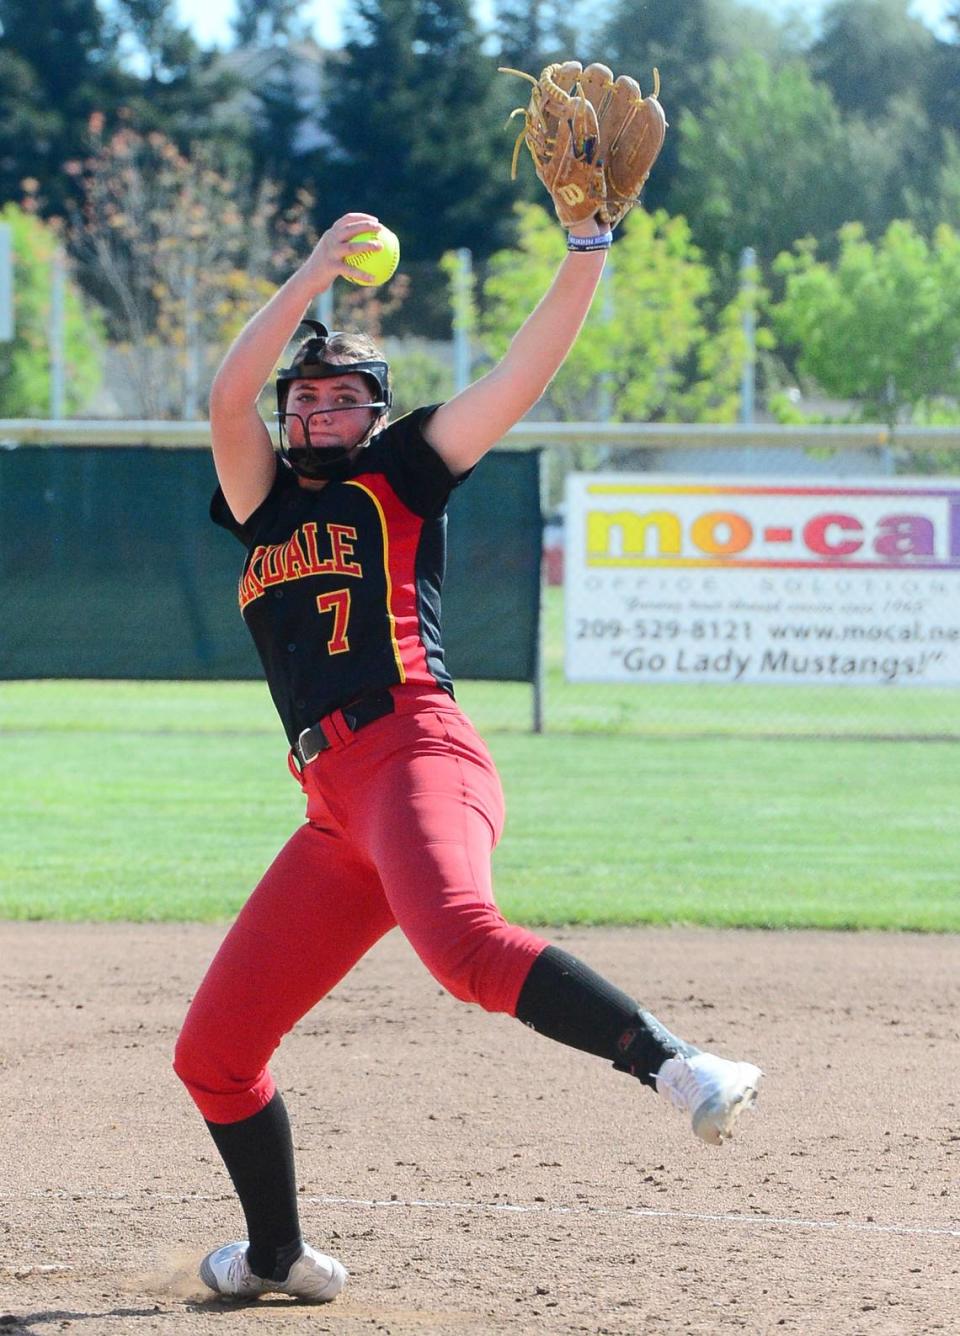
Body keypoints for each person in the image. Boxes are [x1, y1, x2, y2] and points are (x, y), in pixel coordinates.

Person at [173, 209, 762, 1304]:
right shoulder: (260, 508)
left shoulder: (397, 477)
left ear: (376, 414)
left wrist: (586, 256)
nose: (313, 404)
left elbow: (517, 378)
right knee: (213, 1052)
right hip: (332, 808)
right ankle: (275, 1256)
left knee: (460, 948)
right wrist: (307, 275)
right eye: (303, 395)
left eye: (340, 393)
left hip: (415, 751)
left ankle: (684, 1068)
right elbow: (225, 396)